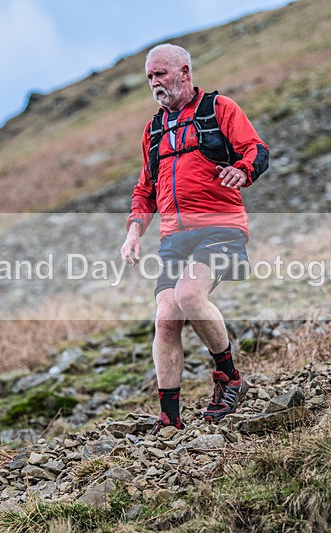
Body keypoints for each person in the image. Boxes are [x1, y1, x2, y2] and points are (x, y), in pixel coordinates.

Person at [120, 44, 269, 434]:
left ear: (184, 71)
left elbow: (256, 149)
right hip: (174, 239)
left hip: (222, 227)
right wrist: (134, 232)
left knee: (189, 296)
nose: (154, 83)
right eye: (149, 77)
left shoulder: (219, 109)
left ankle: (230, 378)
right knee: (166, 317)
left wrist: (243, 170)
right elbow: (144, 191)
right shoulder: (153, 131)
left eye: (161, 74)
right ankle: (170, 417)